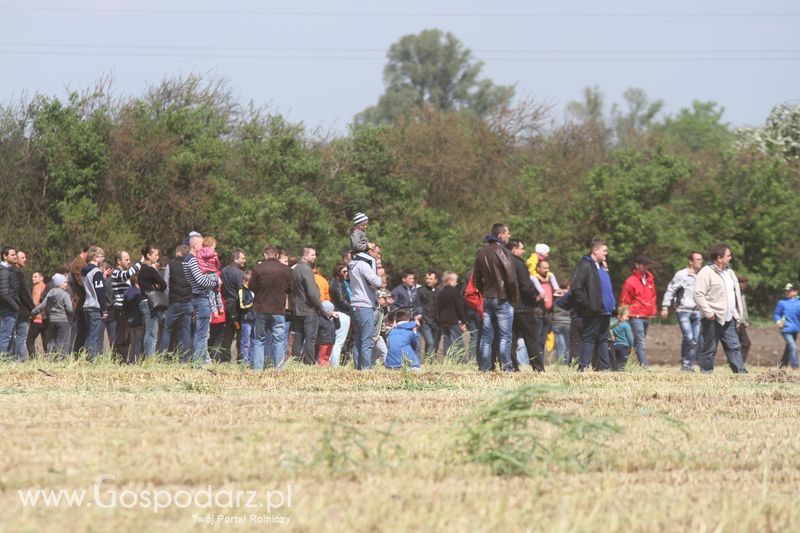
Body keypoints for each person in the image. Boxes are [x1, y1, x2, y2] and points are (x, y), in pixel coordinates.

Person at [694, 243, 747, 374]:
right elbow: (698, 294)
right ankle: (706, 374)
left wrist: (736, 314)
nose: (730, 258)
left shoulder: (730, 272)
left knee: (734, 347)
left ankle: (741, 374)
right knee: (709, 348)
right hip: (713, 318)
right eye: (728, 255)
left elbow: (734, 294)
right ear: (719, 258)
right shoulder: (706, 272)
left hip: (729, 318)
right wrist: (708, 312)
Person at [473, 223, 519, 372]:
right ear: (500, 235)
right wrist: (514, 297)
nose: (509, 236)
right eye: (507, 233)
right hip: (503, 299)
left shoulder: (481, 253)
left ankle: (485, 368)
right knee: (505, 336)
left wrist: (485, 291)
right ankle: (507, 369)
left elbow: (475, 280)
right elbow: (511, 279)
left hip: (488, 298)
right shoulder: (504, 252)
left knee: (486, 336)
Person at [570, 239, 616, 371]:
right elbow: (576, 288)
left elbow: (607, 288)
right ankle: (583, 367)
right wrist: (589, 305)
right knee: (589, 338)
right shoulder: (585, 265)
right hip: (593, 311)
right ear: (595, 251)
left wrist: (614, 306)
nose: (606, 253)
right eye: (604, 251)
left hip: (605, 311)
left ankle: (604, 368)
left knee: (603, 339)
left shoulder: (602, 267)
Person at [250, 246, 293, 371]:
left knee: (259, 340)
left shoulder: (258, 268)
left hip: (261, 308)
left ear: (265, 255)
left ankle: (258, 369)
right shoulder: (285, 269)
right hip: (278, 309)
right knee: (279, 340)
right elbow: (290, 288)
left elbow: (252, 286)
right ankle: (279, 369)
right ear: (277, 255)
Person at [660, 251, 705, 371]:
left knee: (695, 339)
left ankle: (690, 364)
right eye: (698, 259)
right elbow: (671, 290)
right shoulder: (681, 274)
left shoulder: (702, 275)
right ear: (690, 261)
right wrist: (665, 306)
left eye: (701, 259)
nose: (700, 262)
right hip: (683, 310)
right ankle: (686, 363)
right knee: (689, 337)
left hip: (697, 311)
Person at [183, 232, 219, 366]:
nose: (204, 247)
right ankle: (198, 362)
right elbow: (200, 280)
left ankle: (204, 360)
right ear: (195, 245)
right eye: (202, 244)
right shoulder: (192, 260)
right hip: (202, 298)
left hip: (198, 297)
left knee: (202, 332)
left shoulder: (190, 259)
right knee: (202, 333)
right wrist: (214, 282)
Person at [506, 239, 542, 371]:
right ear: (514, 249)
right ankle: (538, 368)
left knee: (512, 339)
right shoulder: (519, 264)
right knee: (531, 339)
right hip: (524, 307)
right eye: (521, 248)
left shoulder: (504, 263)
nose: (523, 251)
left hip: (509, 306)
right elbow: (526, 287)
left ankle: (513, 367)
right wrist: (534, 297)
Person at [291, 246, 330, 365]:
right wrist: (320, 308)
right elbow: (312, 293)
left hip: (297, 309)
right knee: (310, 338)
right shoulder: (307, 270)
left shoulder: (295, 269)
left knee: (298, 337)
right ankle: (309, 363)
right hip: (309, 309)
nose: (315, 257)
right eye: (312, 255)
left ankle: (295, 362)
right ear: (305, 256)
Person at [348, 244, 383, 370]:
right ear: (369, 251)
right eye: (377, 253)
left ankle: (358, 368)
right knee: (367, 340)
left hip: (355, 305)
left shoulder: (353, 264)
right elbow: (377, 282)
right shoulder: (364, 265)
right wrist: (379, 273)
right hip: (364, 306)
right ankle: (366, 369)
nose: (378, 256)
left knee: (358, 339)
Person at [619, 255, 657, 369]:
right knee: (640, 342)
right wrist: (623, 313)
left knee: (638, 342)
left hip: (646, 316)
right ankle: (644, 367)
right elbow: (625, 299)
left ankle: (629, 363)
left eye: (648, 265)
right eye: (644, 264)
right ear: (637, 265)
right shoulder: (630, 281)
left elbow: (653, 297)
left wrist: (653, 310)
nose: (646, 267)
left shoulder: (650, 280)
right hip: (635, 316)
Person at [161, 245, 193, 360]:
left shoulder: (171, 265)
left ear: (177, 253)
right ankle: (185, 358)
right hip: (188, 301)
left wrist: (169, 298)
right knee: (186, 330)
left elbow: (165, 284)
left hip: (174, 302)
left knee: (167, 329)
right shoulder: (190, 266)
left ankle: (163, 356)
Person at [30, 273, 73, 358]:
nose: (66, 284)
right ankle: (60, 359)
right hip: (63, 321)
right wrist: (70, 315)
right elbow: (69, 309)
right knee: (61, 341)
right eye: (64, 282)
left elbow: (42, 305)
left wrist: (33, 312)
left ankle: (50, 358)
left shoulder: (50, 293)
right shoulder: (65, 295)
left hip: (52, 320)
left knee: (51, 341)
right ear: (59, 283)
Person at [110, 250, 142, 363]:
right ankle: (119, 361)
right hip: (120, 309)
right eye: (126, 259)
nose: (129, 261)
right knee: (122, 337)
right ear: (119, 261)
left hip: (125, 309)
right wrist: (139, 263)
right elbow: (126, 275)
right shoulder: (116, 273)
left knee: (127, 337)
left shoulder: (121, 273)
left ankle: (123, 360)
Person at [532, 259, 561, 370]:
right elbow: (530, 296)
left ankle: (541, 362)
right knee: (537, 339)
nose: (547, 270)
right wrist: (537, 298)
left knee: (543, 340)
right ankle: (536, 363)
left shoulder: (550, 279)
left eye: (548, 267)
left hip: (548, 314)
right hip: (538, 313)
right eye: (544, 268)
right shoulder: (534, 280)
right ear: (538, 268)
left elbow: (555, 291)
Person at [137, 245, 166, 357]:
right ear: (148, 256)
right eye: (155, 255)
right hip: (149, 302)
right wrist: (156, 286)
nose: (157, 257)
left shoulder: (141, 270)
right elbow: (163, 284)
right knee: (151, 332)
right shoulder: (150, 270)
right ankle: (150, 358)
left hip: (143, 301)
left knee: (146, 331)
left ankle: (144, 356)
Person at [81, 246, 108, 361]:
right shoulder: (96, 272)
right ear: (96, 257)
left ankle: (86, 356)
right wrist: (104, 309)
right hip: (95, 306)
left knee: (89, 333)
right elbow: (100, 292)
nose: (104, 258)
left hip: (87, 305)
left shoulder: (85, 272)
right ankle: (91, 358)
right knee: (95, 335)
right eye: (102, 256)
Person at [220, 248, 246, 362]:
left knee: (227, 333)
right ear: (236, 259)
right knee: (239, 332)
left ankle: (225, 358)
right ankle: (240, 358)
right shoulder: (239, 273)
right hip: (236, 307)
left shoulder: (223, 271)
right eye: (243, 258)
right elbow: (241, 291)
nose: (245, 260)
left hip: (226, 304)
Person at [435, 271, 468, 360]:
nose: (456, 283)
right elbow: (459, 307)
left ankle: (448, 358)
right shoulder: (454, 291)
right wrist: (463, 320)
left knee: (447, 341)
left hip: (443, 321)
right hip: (453, 320)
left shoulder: (441, 292)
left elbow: (438, 307)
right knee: (458, 341)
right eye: (455, 281)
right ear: (449, 281)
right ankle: (461, 360)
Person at [12, 250, 36, 361]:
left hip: (15, 308)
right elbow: (24, 293)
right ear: (16, 259)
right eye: (22, 257)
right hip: (22, 309)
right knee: (21, 336)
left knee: (14, 336)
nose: (25, 259)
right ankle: (20, 359)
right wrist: (33, 308)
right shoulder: (18, 273)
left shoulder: (11, 272)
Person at [328, 263, 352, 367]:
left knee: (338, 342)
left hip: (339, 313)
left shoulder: (334, 283)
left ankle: (334, 363)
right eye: (344, 272)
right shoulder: (338, 284)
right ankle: (335, 365)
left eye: (347, 271)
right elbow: (342, 300)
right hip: (342, 314)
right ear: (338, 272)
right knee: (339, 342)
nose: (346, 274)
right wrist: (352, 307)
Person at [196, 236, 225, 318]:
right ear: (212, 244)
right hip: (214, 273)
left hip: (206, 274)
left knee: (210, 293)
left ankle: (214, 312)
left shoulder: (199, 252)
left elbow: (199, 261)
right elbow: (217, 263)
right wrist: (216, 268)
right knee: (217, 292)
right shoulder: (214, 253)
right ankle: (220, 308)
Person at [69, 245, 90, 353]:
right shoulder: (79, 264)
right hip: (80, 302)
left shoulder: (81, 263)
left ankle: (79, 354)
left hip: (83, 302)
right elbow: (82, 283)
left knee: (82, 332)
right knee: (80, 332)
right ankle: (76, 355)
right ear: (88, 251)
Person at [0, 246, 20, 355]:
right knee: (6, 334)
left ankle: (7, 359)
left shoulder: (9, 270)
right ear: (4, 256)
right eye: (12, 255)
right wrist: (15, 306)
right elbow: (3, 293)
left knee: (11, 335)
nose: (15, 257)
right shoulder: (3, 271)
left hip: (10, 307)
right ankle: (2, 359)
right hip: (8, 308)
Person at [775, 283, 800, 369]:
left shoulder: (799, 303)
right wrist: (778, 321)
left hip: (795, 329)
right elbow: (777, 314)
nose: (787, 292)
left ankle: (782, 365)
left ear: (796, 292)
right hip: (785, 329)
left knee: (789, 348)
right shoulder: (782, 302)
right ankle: (796, 367)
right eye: (786, 291)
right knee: (793, 347)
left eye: (789, 291)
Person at [418, 270, 441, 358]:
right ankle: (428, 360)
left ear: (436, 280)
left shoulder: (439, 291)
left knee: (435, 343)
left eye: (431, 279)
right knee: (430, 342)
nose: (428, 280)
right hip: (425, 321)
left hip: (436, 322)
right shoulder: (420, 291)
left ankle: (431, 361)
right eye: (427, 278)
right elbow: (418, 304)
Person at [123, 275, 146, 363]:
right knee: (139, 341)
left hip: (130, 321)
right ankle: (137, 359)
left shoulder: (126, 293)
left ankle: (130, 359)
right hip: (138, 320)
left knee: (132, 341)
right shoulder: (139, 293)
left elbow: (123, 307)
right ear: (137, 283)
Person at [26, 271, 47, 356]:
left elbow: (35, 302)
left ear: (41, 278)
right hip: (45, 318)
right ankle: (50, 359)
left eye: (35, 277)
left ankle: (32, 360)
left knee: (29, 341)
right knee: (45, 341)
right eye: (32, 277)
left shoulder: (37, 287)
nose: (33, 278)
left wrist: (31, 315)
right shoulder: (45, 286)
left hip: (37, 318)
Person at [237, 270, 256, 367]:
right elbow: (242, 305)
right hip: (246, 318)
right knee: (245, 341)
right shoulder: (241, 290)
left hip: (255, 318)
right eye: (250, 281)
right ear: (245, 281)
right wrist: (253, 302)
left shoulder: (254, 290)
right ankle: (245, 361)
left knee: (254, 340)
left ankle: (252, 360)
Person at [552, 282, 572, 365]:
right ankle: (568, 362)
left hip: (556, 322)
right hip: (568, 322)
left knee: (560, 345)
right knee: (568, 345)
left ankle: (560, 364)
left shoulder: (555, 296)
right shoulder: (569, 296)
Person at [610, 307, 634, 371]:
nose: (627, 318)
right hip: (624, 346)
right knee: (622, 365)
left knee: (614, 363)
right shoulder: (626, 325)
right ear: (621, 315)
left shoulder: (612, 323)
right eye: (626, 316)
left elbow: (610, 331)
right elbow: (630, 337)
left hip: (614, 345)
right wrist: (631, 346)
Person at [317, 301, 339, 366]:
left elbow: (338, 326)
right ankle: (322, 367)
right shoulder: (320, 319)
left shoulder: (332, 319)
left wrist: (337, 319)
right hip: (323, 341)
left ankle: (325, 366)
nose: (333, 312)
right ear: (326, 311)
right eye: (331, 311)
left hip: (331, 341)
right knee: (322, 356)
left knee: (327, 356)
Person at [736, 275, 752, 363]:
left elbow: (744, 309)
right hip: (736, 322)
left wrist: (746, 320)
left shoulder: (742, 294)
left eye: (744, 283)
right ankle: (736, 363)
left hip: (741, 322)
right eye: (741, 282)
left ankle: (740, 362)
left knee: (746, 343)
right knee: (735, 344)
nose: (743, 285)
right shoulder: (734, 293)